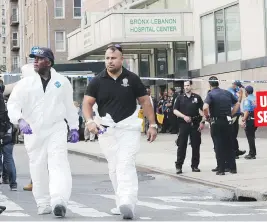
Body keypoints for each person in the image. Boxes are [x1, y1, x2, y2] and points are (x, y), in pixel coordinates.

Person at [82, 44, 157, 220]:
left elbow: (145, 102)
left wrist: (152, 124)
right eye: (107, 58)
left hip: (128, 128)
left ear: (121, 59)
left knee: (125, 163)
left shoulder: (132, 79)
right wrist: (90, 121)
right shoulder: (97, 81)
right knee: (114, 167)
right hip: (106, 130)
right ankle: (120, 202)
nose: (110, 61)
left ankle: (128, 202)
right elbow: (87, 103)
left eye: (113, 58)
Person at [7, 47, 79, 217]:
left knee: (58, 163)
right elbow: (13, 105)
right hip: (33, 130)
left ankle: (59, 200)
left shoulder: (62, 81)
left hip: (56, 128)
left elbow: (69, 106)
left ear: (49, 62)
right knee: (37, 166)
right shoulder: (25, 83)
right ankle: (43, 203)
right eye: (34, 58)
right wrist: (20, 120)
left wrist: (74, 127)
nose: (35, 61)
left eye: (39, 58)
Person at [203, 76, 240, 175]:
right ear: (218, 83)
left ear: (210, 84)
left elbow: (205, 107)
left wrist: (207, 117)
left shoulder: (210, 94)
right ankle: (232, 168)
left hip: (217, 121)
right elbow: (237, 103)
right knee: (229, 144)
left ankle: (221, 169)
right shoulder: (226, 92)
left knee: (219, 145)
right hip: (228, 121)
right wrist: (231, 113)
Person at [173, 80, 205, 174]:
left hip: (195, 123)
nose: (186, 87)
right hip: (183, 124)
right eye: (185, 86)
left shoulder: (197, 97)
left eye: (187, 85)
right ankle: (179, 166)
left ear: (191, 86)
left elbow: (204, 110)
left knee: (196, 145)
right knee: (182, 145)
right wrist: (184, 116)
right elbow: (175, 110)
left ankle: (195, 166)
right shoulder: (180, 98)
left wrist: (202, 121)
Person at [228, 81, 246, 159]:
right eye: (239, 86)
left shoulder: (235, 91)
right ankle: (233, 152)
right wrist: (241, 95)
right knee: (232, 133)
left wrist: (240, 111)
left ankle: (236, 150)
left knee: (234, 133)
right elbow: (237, 101)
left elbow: (238, 104)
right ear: (235, 85)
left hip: (236, 114)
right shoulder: (230, 91)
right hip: (232, 115)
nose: (240, 88)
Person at [241, 85, 257, 159]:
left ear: (246, 92)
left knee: (250, 136)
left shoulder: (247, 100)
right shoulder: (255, 98)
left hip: (250, 119)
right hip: (256, 119)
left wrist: (243, 120)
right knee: (252, 136)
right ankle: (253, 152)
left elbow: (247, 111)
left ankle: (252, 153)